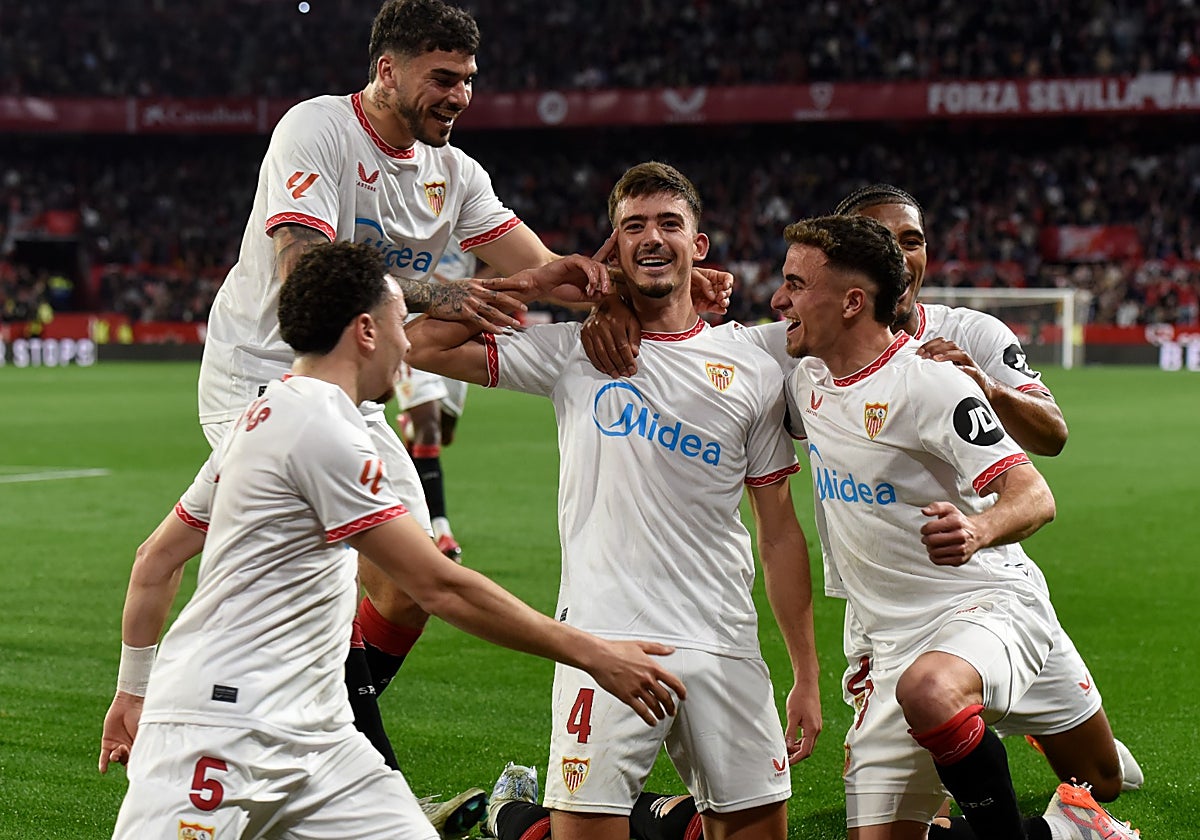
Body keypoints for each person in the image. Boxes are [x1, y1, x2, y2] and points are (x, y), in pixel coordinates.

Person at [194, 0, 729, 786]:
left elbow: (547, 268)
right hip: (266, 378)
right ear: (388, 70)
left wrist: (655, 286)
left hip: (356, 391)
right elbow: (304, 271)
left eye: (469, 80)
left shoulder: (456, 175)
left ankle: (314, 729)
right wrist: (444, 294)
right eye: (443, 78)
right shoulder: (318, 131)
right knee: (338, 577)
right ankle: (358, 775)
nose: (460, 96)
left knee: (412, 584)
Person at [99, 241, 685, 839]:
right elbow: (439, 587)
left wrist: (131, 689)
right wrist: (595, 653)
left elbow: (155, 559)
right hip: (223, 728)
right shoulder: (325, 431)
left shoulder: (263, 415)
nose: (409, 344)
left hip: (323, 741)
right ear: (366, 330)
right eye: (398, 321)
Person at [581, 183, 1142, 808]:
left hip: (987, 596)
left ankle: (998, 735)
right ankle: (978, 754)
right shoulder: (804, 359)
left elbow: (1051, 440)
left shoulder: (965, 338)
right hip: (883, 622)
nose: (902, 257)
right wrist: (618, 303)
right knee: (922, 746)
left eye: (913, 241)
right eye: (884, 239)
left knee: (1102, 781)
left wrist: (984, 390)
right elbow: (707, 354)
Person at [405, 162, 822, 840]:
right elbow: (417, 344)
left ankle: (518, 817)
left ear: (700, 244)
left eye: (668, 224)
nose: (651, 238)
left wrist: (804, 671)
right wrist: (538, 285)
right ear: (615, 249)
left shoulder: (753, 363)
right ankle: (520, 816)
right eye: (632, 227)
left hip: (724, 644)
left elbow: (778, 529)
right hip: (602, 639)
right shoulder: (573, 351)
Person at [769, 214, 1139, 840]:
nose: (778, 299)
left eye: (795, 284)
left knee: (935, 691)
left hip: (983, 604)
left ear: (853, 301)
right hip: (888, 642)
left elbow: (1034, 494)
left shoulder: (932, 382)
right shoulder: (806, 378)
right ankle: (1066, 831)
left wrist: (977, 528)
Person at [394, 241, 495, 560]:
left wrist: (482, 286)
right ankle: (440, 530)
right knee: (431, 427)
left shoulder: (465, 213)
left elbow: (505, 258)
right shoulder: (406, 211)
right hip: (411, 321)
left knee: (443, 432)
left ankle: (409, 434)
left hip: (457, 325)